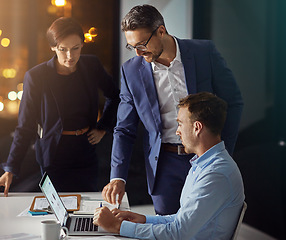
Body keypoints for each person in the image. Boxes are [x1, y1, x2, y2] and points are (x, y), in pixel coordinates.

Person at [102, 4, 244, 215]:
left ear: (161, 30)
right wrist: (117, 177)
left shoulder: (204, 53)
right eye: (132, 47)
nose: (139, 53)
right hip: (163, 164)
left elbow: (233, 102)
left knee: (204, 226)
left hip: (205, 159)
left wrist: (223, 152)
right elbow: (124, 129)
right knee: (166, 228)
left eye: (142, 44)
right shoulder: (131, 71)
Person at [94, 92, 245, 239]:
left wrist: (117, 227)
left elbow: (178, 233)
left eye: (180, 124)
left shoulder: (215, 174)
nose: (177, 131)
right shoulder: (203, 164)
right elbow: (181, 220)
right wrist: (143, 219)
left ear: (197, 127)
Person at [0, 17, 120, 194]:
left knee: (84, 205)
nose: (70, 56)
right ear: (53, 47)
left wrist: (103, 128)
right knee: (56, 209)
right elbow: (25, 126)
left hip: (85, 149)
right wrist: (11, 168)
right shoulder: (37, 76)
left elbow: (115, 96)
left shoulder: (91, 65)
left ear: (82, 45)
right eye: (63, 50)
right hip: (53, 154)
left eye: (75, 48)